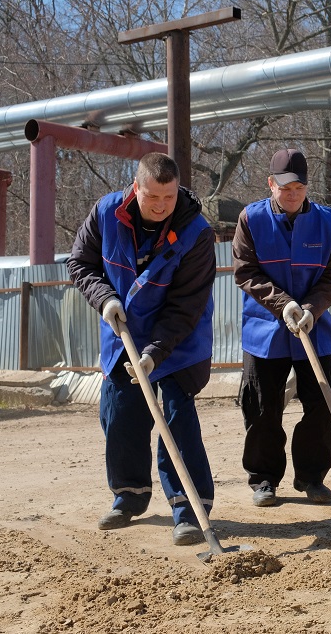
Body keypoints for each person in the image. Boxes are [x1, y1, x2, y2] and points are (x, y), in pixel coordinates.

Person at [67, 152, 216, 546]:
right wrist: (104, 299)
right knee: (120, 416)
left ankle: (189, 507)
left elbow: (185, 308)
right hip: (123, 333)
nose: (161, 206)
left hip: (178, 341)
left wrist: (153, 354)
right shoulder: (105, 212)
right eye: (153, 197)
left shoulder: (197, 233)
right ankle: (129, 496)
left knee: (176, 420)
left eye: (168, 198)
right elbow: (81, 263)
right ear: (136, 188)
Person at [232, 148, 331, 508]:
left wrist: (310, 308)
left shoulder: (327, 222)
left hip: (313, 327)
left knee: (325, 403)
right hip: (265, 328)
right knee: (262, 406)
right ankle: (264, 479)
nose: (292, 193)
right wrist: (284, 304)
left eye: (298, 187)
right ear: (270, 184)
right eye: (284, 187)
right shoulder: (251, 219)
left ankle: (311, 477)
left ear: (307, 187)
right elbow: (245, 271)